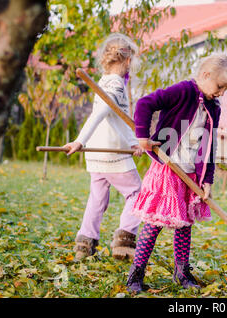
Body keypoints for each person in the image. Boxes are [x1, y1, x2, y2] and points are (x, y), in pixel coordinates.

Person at [126, 54, 227, 293]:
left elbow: (209, 146)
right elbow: (145, 103)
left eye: (225, 90)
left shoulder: (213, 107)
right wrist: (143, 136)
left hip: (189, 175)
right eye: (220, 87)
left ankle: (181, 272)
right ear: (206, 75)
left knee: (184, 224)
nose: (221, 93)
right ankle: (136, 274)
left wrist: (207, 179)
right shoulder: (183, 91)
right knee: (154, 223)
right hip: (167, 168)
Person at [63, 33, 143, 261]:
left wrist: (133, 141)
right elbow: (100, 114)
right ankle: (124, 243)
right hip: (111, 153)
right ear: (128, 61)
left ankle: (84, 245)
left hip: (96, 154)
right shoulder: (116, 84)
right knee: (137, 193)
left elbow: (118, 118)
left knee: (97, 199)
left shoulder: (103, 80)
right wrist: (80, 140)